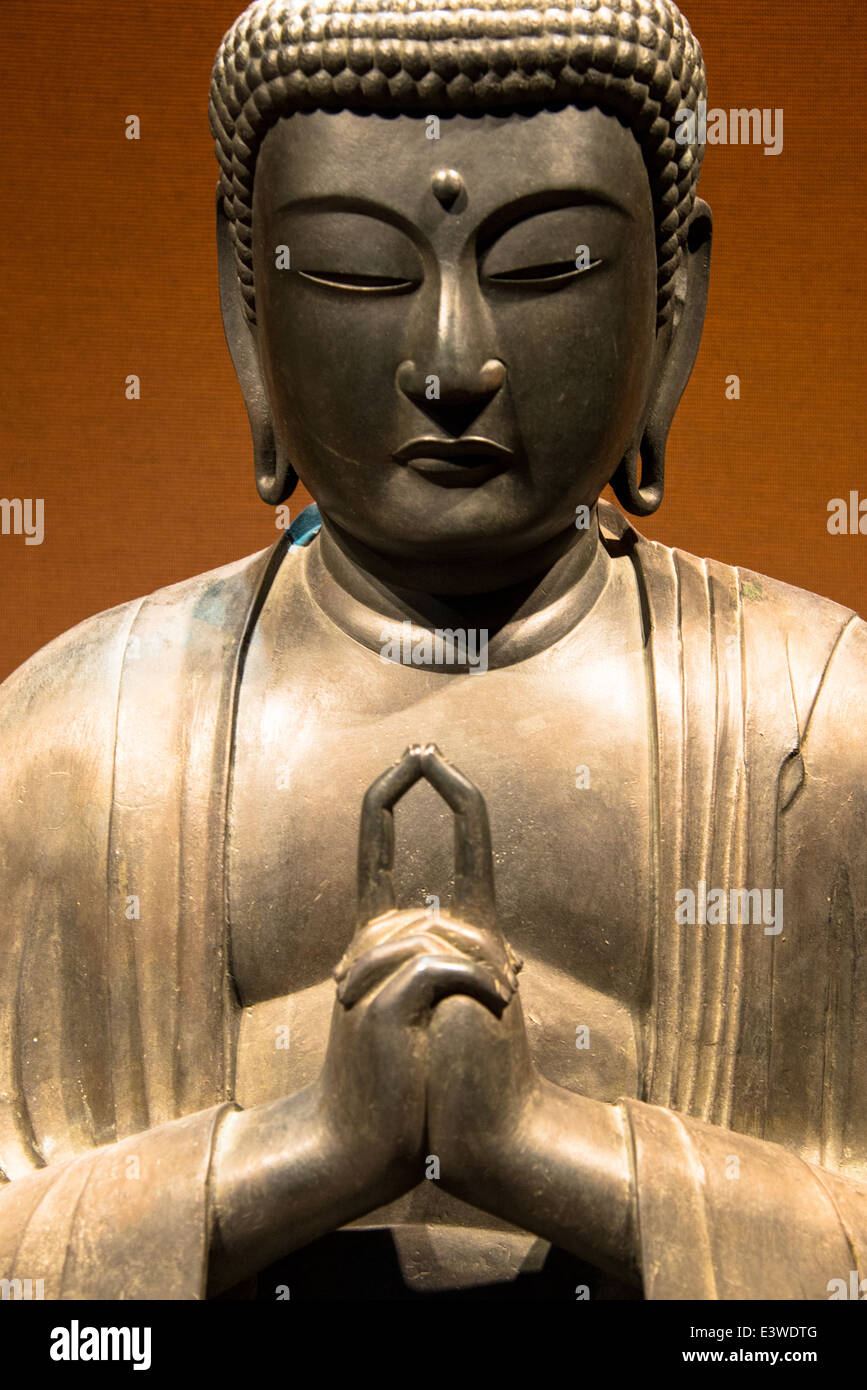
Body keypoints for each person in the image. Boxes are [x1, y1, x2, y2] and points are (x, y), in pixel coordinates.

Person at [1, 0, 864, 1300]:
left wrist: (551, 1153)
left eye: (550, 264)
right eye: (355, 269)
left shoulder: (821, 732)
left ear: (672, 311)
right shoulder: (71, 747)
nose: (452, 362)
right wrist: (307, 1155)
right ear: (248, 316)